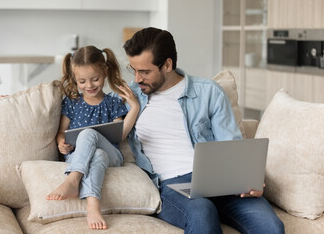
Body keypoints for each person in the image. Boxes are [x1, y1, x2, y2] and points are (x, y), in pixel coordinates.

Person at [122, 27, 284, 234]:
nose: (137, 79)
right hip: (172, 185)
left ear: (168, 65)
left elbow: (231, 146)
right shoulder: (129, 97)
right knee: (202, 212)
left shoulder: (208, 92)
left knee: (271, 227)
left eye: (145, 72)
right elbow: (97, 124)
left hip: (219, 180)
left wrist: (249, 180)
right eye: (133, 69)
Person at [46, 46, 139, 230]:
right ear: (75, 79)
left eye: (95, 79)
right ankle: (93, 207)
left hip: (113, 155)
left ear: (105, 72)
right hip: (79, 156)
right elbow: (61, 132)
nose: (89, 86)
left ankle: (73, 180)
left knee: (88, 133)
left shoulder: (112, 102)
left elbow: (120, 134)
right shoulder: (72, 103)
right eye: (82, 81)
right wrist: (60, 143)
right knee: (97, 155)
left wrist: (134, 108)